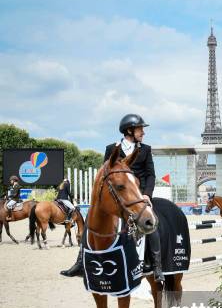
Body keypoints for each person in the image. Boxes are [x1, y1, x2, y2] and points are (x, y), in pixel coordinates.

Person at [60, 114, 164, 282]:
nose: (143, 132)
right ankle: (80, 262)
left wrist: (146, 194)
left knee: (151, 222)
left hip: (138, 194)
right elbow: (105, 175)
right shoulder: (111, 148)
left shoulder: (145, 149)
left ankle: (156, 266)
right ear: (129, 130)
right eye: (140, 129)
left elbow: (150, 174)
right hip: (118, 195)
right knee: (91, 219)